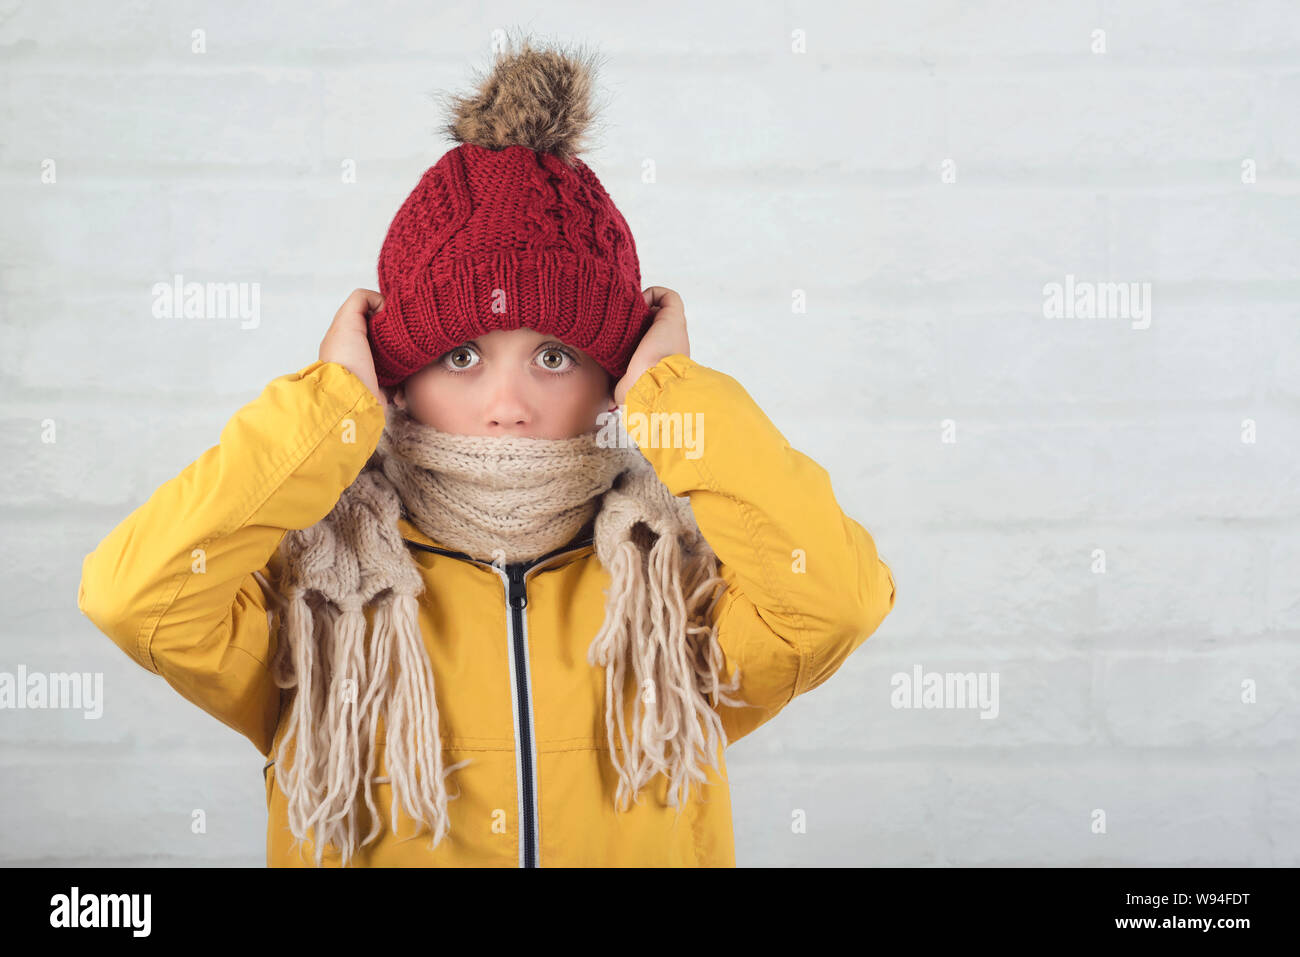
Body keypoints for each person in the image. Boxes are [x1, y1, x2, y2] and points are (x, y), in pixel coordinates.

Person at [77, 33, 897, 868]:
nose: (507, 406)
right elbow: (134, 598)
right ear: (396, 376)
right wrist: (330, 409)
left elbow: (836, 600)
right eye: (460, 356)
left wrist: (675, 394)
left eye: (555, 357)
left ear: (614, 377)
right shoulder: (311, 593)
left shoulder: (674, 589)